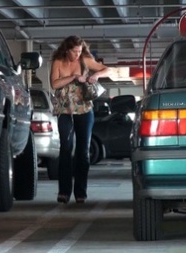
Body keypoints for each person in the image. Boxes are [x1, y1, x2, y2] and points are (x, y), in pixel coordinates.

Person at [49, 35, 111, 204]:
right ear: (66, 50)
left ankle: (80, 192)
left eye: (79, 51)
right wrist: (74, 77)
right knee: (66, 149)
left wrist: (96, 76)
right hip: (65, 111)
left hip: (84, 110)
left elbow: (107, 69)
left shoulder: (84, 59)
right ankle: (64, 191)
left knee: (83, 151)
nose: (77, 54)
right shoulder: (58, 61)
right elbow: (54, 84)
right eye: (74, 51)